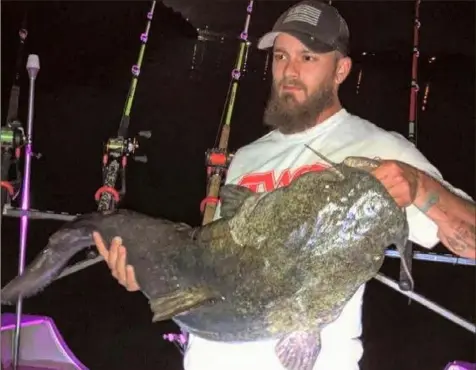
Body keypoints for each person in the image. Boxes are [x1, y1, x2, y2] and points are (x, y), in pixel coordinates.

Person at [93, 1, 476, 369]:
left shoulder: (376, 148)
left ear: (341, 70)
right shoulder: (247, 156)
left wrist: (419, 185)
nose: (289, 71)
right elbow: (213, 266)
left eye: (308, 58)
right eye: (281, 56)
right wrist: (147, 275)